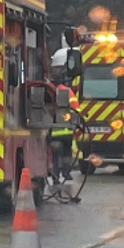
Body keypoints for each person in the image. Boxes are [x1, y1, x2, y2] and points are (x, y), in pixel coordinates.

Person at [49, 44, 80, 182]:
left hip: (52, 133)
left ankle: (55, 176)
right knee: (66, 153)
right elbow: (76, 109)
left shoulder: (48, 91)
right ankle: (66, 173)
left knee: (55, 155)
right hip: (67, 131)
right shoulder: (68, 92)